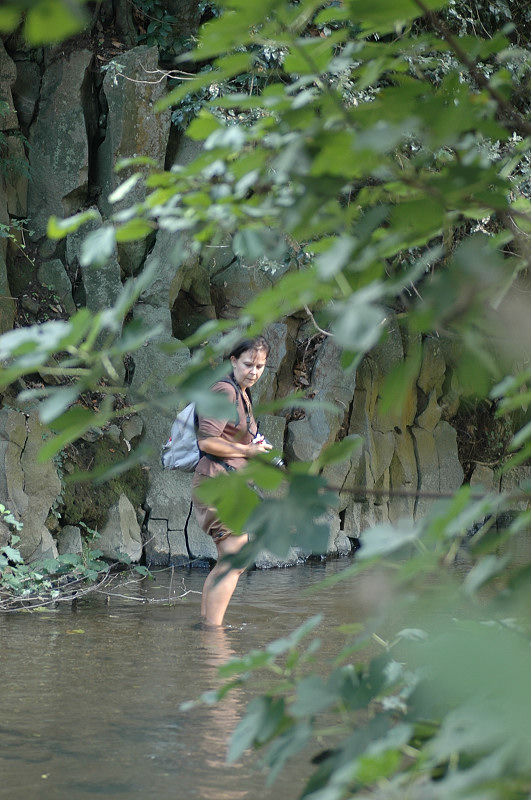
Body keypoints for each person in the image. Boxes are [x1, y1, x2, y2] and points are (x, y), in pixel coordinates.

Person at [192, 336, 272, 628]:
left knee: (228, 559)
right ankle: (214, 635)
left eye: (260, 366)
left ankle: (205, 626)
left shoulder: (242, 393)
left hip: (228, 482)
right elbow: (208, 440)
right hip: (215, 480)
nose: (254, 371)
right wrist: (246, 450)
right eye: (248, 364)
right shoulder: (224, 391)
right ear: (233, 361)